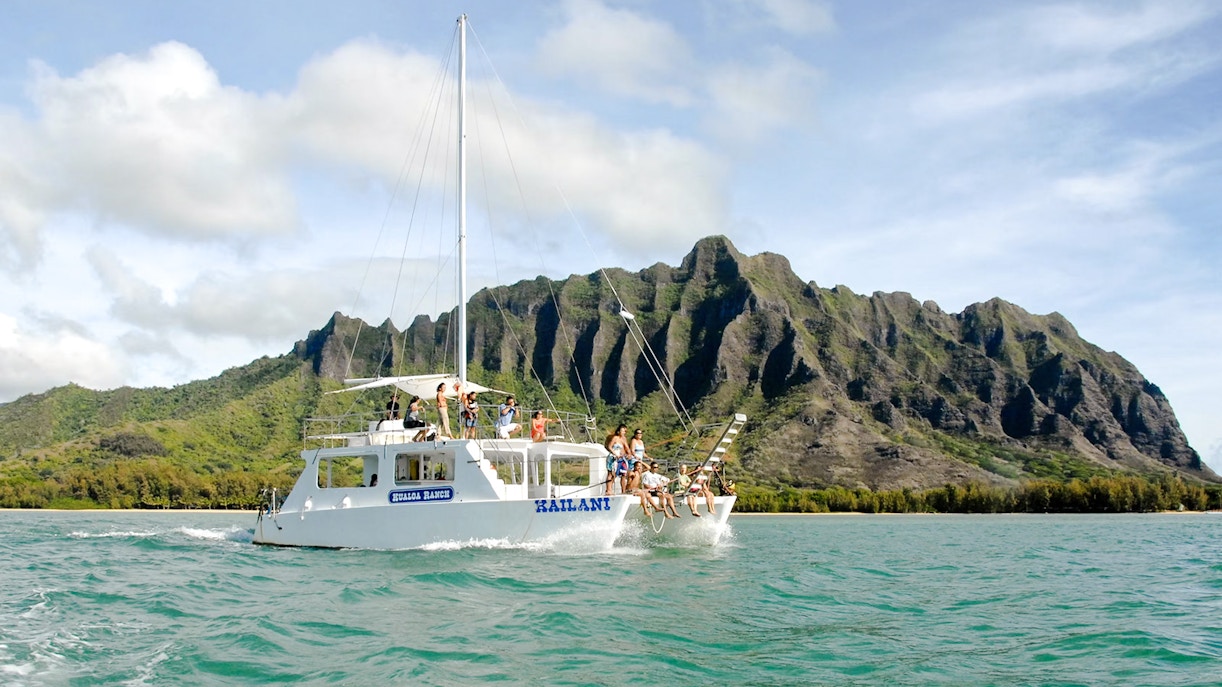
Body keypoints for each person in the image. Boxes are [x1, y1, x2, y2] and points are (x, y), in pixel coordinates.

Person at [603, 424, 628, 495]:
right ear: (619, 431)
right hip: (612, 457)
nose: (624, 432)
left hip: (618, 457)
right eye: (623, 431)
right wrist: (615, 454)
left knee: (614, 474)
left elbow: (624, 448)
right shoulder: (615, 438)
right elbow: (609, 447)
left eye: (625, 431)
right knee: (610, 473)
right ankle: (608, 490)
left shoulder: (622, 439)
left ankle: (611, 489)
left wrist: (624, 454)